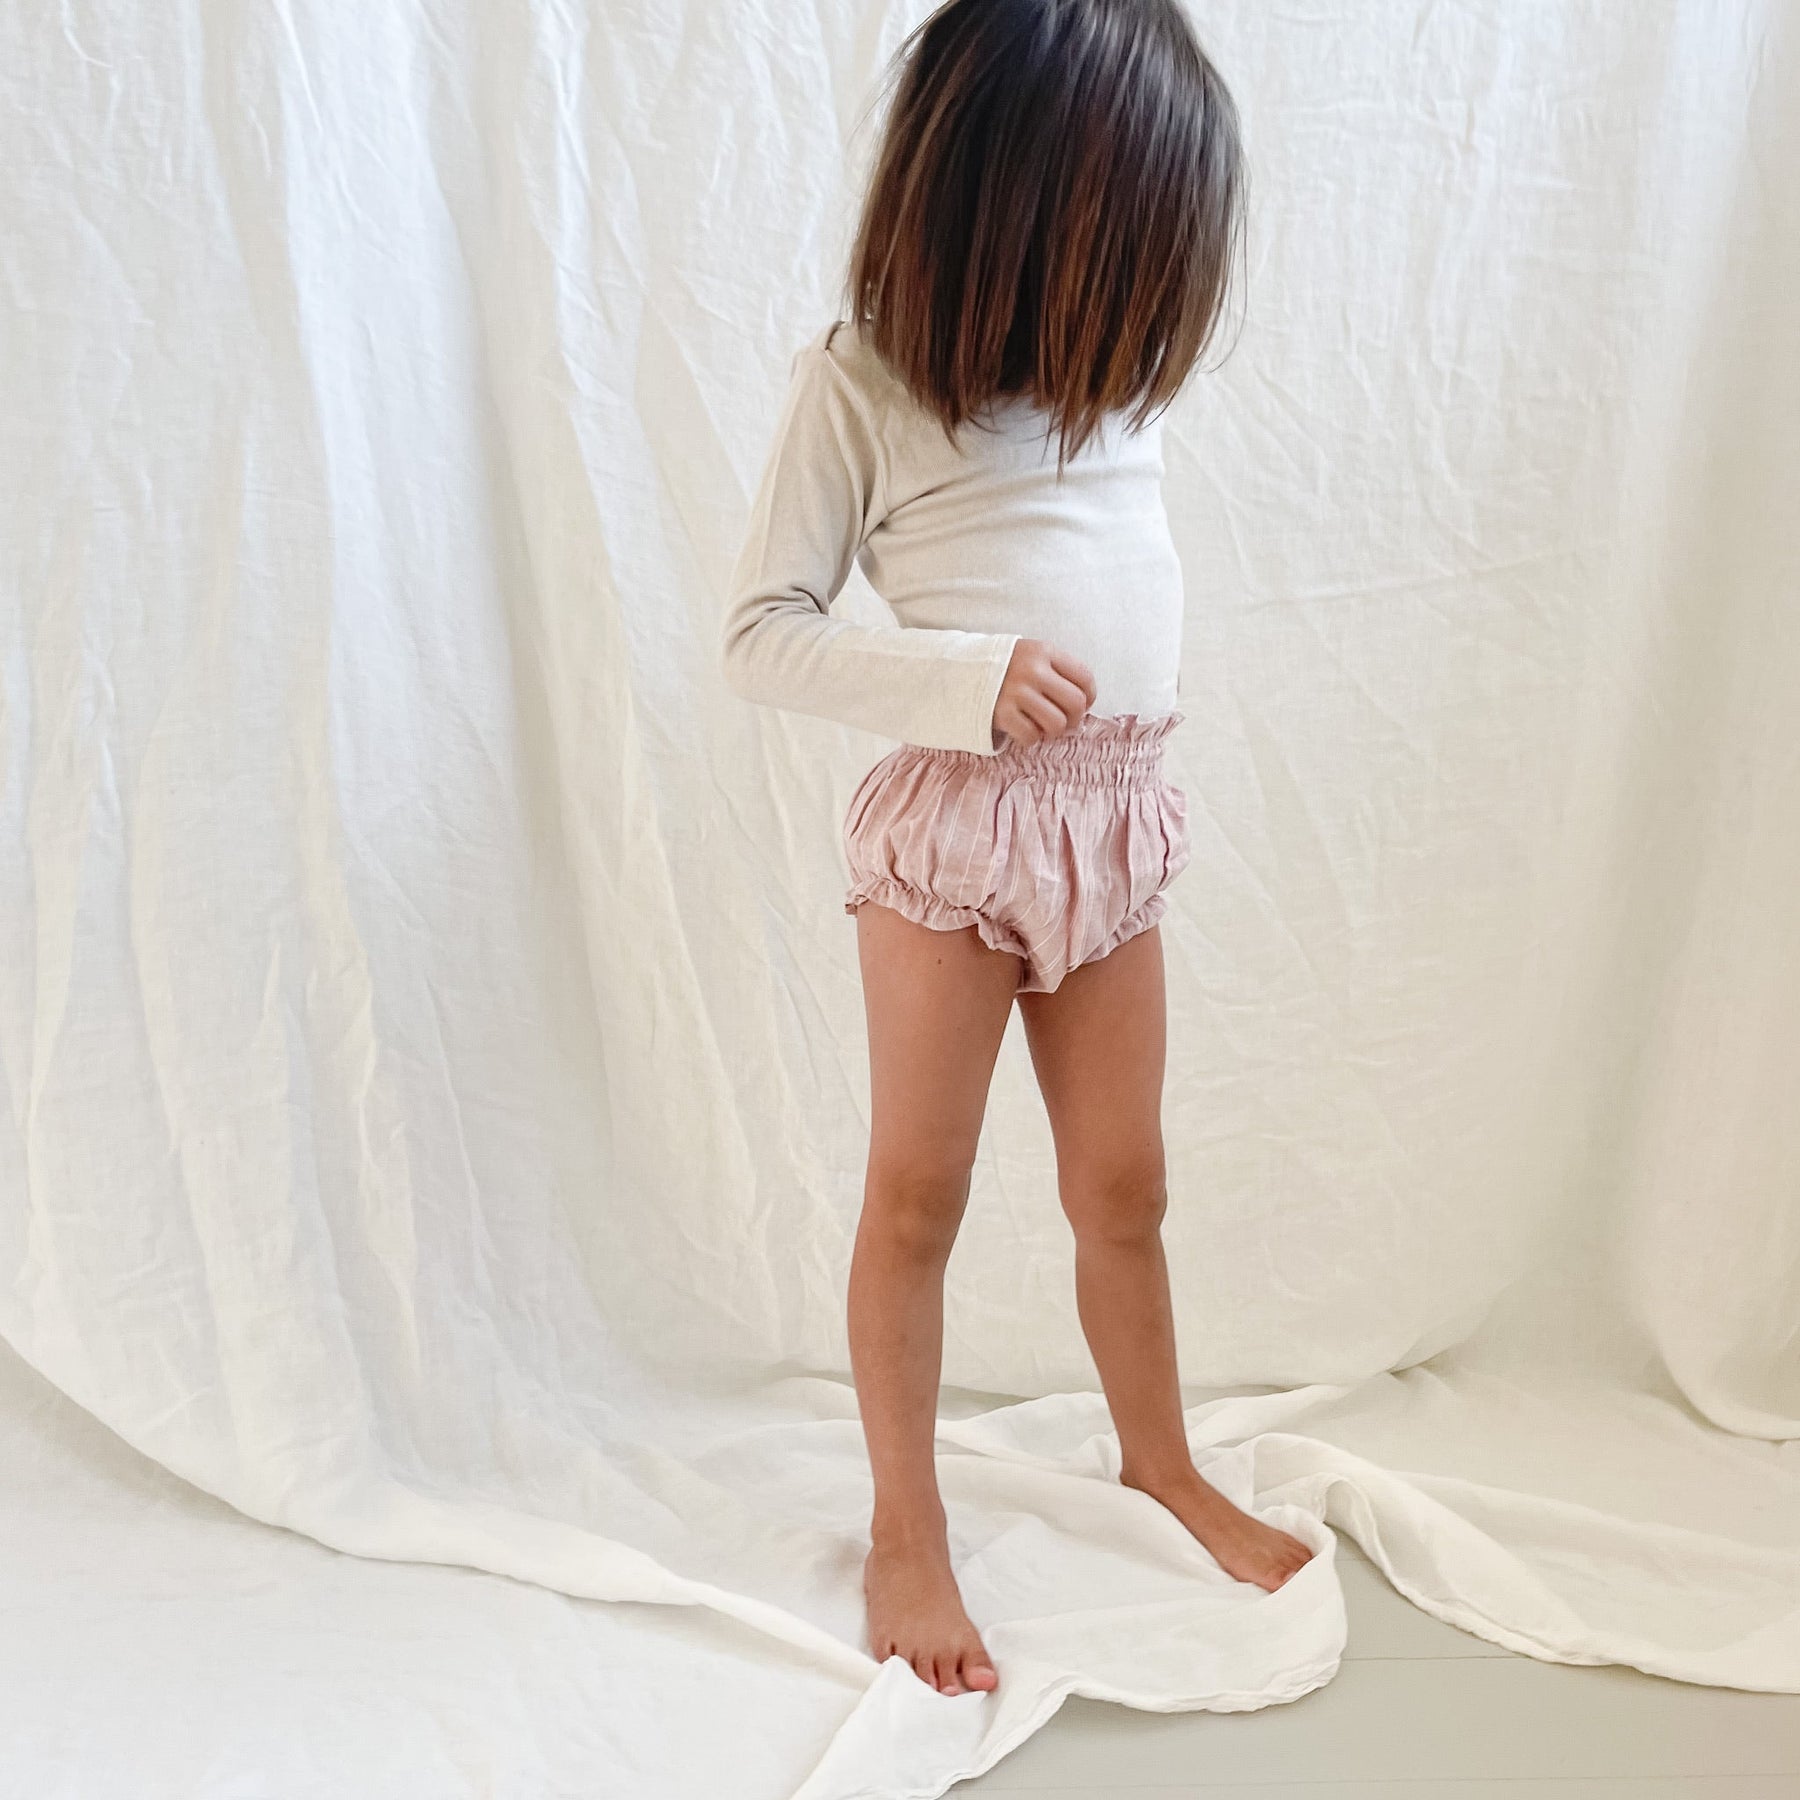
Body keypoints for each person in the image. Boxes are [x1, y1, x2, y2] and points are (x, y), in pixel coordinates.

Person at [718, 0, 1313, 1699]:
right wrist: (960, 681)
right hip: (958, 839)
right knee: (921, 1191)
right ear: (1004, 197)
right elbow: (760, 632)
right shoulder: (863, 382)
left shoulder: (1112, 393)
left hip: (1115, 822)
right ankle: (906, 1525)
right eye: (1127, 239)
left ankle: (1161, 1460)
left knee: (1126, 1184)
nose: (1144, 288)